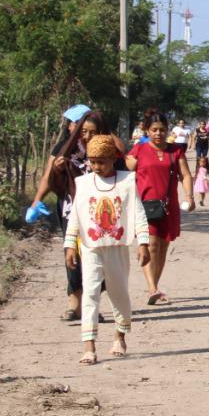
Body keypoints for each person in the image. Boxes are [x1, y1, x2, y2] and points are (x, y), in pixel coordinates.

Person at [31, 109, 126, 322]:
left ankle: (91, 305)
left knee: (97, 257)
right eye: (83, 131)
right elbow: (50, 177)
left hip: (101, 211)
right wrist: (40, 195)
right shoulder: (66, 148)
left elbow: (122, 171)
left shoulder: (110, 150)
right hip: (71, 209)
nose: (87, 136)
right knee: (72, 253)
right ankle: (74, 303)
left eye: (93, 132)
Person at [64, 135, 150, 365]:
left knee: (118, 293)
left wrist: (143, 243)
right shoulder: (83, 183)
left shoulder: (126, 181)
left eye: (101, 161)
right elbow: (76, 216)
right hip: (90, 248)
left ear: (113, 158)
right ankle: (89, 347)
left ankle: (119, 337)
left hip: (117, 247)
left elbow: (138, 213)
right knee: (90, 294)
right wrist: (70, 245)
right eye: (92, 161)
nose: (96, 166)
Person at [126, 109, 195, 305]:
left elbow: (186, 175)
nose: (158, 133)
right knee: (150, 245)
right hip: (145, 206)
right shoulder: (139, 150)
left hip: (168, 206)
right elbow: (125, 170)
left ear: (167, 131)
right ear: (147, 131)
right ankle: (152, 288)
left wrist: (189, 196)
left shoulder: (176, 151)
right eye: (154, 130)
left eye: (162, 130)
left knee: (163, 247)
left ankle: (154, 287)